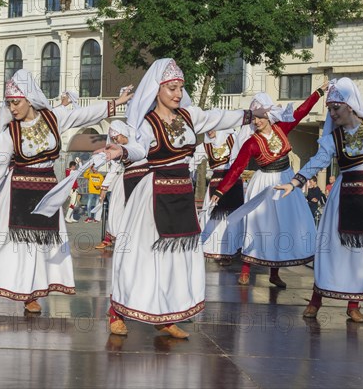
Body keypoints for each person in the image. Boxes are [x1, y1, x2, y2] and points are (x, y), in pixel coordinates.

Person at [98, 58, 266, 338]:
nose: (177, 93)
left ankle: (167, 314)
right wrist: (121, 152)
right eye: (172, 88)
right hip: (153, 195)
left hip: (181, 194)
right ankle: (116, 310)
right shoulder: (147, 123)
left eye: (180, 87)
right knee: (143, 255)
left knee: (177, 257)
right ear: (157, 90)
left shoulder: (189, 116)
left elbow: (219, 117)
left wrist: (250, 114)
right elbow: (139, 149)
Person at [0, 69, 135, 312]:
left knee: (38, 245)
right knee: (2, 242)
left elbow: (84, 114)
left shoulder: (53, 119)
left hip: (46, 190)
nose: (12, 109)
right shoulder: (9, 132)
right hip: (15, 190)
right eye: (10, 104)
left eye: (16, 103)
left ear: (29, 99)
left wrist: (117, 102)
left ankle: (31, 294)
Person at [276, 77, 363, 323]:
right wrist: (295, 182)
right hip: (345, 197)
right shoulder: (333, 139)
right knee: (335, 251)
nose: (332, 113)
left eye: (335, 108)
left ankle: (353, 306)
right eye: (329, 108)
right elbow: (317, 163)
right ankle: (316, 300)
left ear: (350, 105)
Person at [211, 84, 328, 288]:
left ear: (269, 115)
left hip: (286, 179)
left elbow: (301, 112)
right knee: (257, 226)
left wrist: (318, 93)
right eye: (254, 118)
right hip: (263, 183)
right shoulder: (251, 143)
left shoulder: (282, 128)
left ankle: (274, 273)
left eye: (260, 117)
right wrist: (221, 191)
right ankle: (246, 269)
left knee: (283, 225)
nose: (256, 121)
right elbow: (237, 168)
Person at [200, 128, 245, 264]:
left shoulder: (234, 137)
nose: (210, 132)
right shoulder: (205, 145)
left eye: (213, 128)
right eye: (208, 129)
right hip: (215, 183)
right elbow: (189, 156)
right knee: (214, 220)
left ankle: (232, 251)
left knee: (232, 220)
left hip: (233, 183)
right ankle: (214, 250)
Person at [94, 120, 137, 249]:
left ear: (123, 133)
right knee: (115, 206)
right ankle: (113, 237)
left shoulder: (138, 141)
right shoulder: (118, 151)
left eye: (116, 137)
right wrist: (104, 188)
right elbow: (114, 168)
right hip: (124, 178)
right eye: (113, 138)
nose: (115, 141)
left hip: (142, 178)